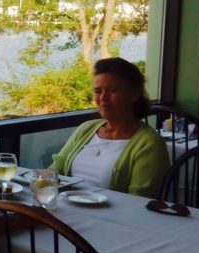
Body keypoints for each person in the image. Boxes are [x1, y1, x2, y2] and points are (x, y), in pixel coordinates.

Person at [50, 57, 169, 196]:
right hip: (64, 206)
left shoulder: (150, 144)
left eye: (113, 90)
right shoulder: (86, 128)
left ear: (135, 94)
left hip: (108, 216)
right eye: (98, 91)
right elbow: (55, 170)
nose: (103, 98)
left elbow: (138, 201)